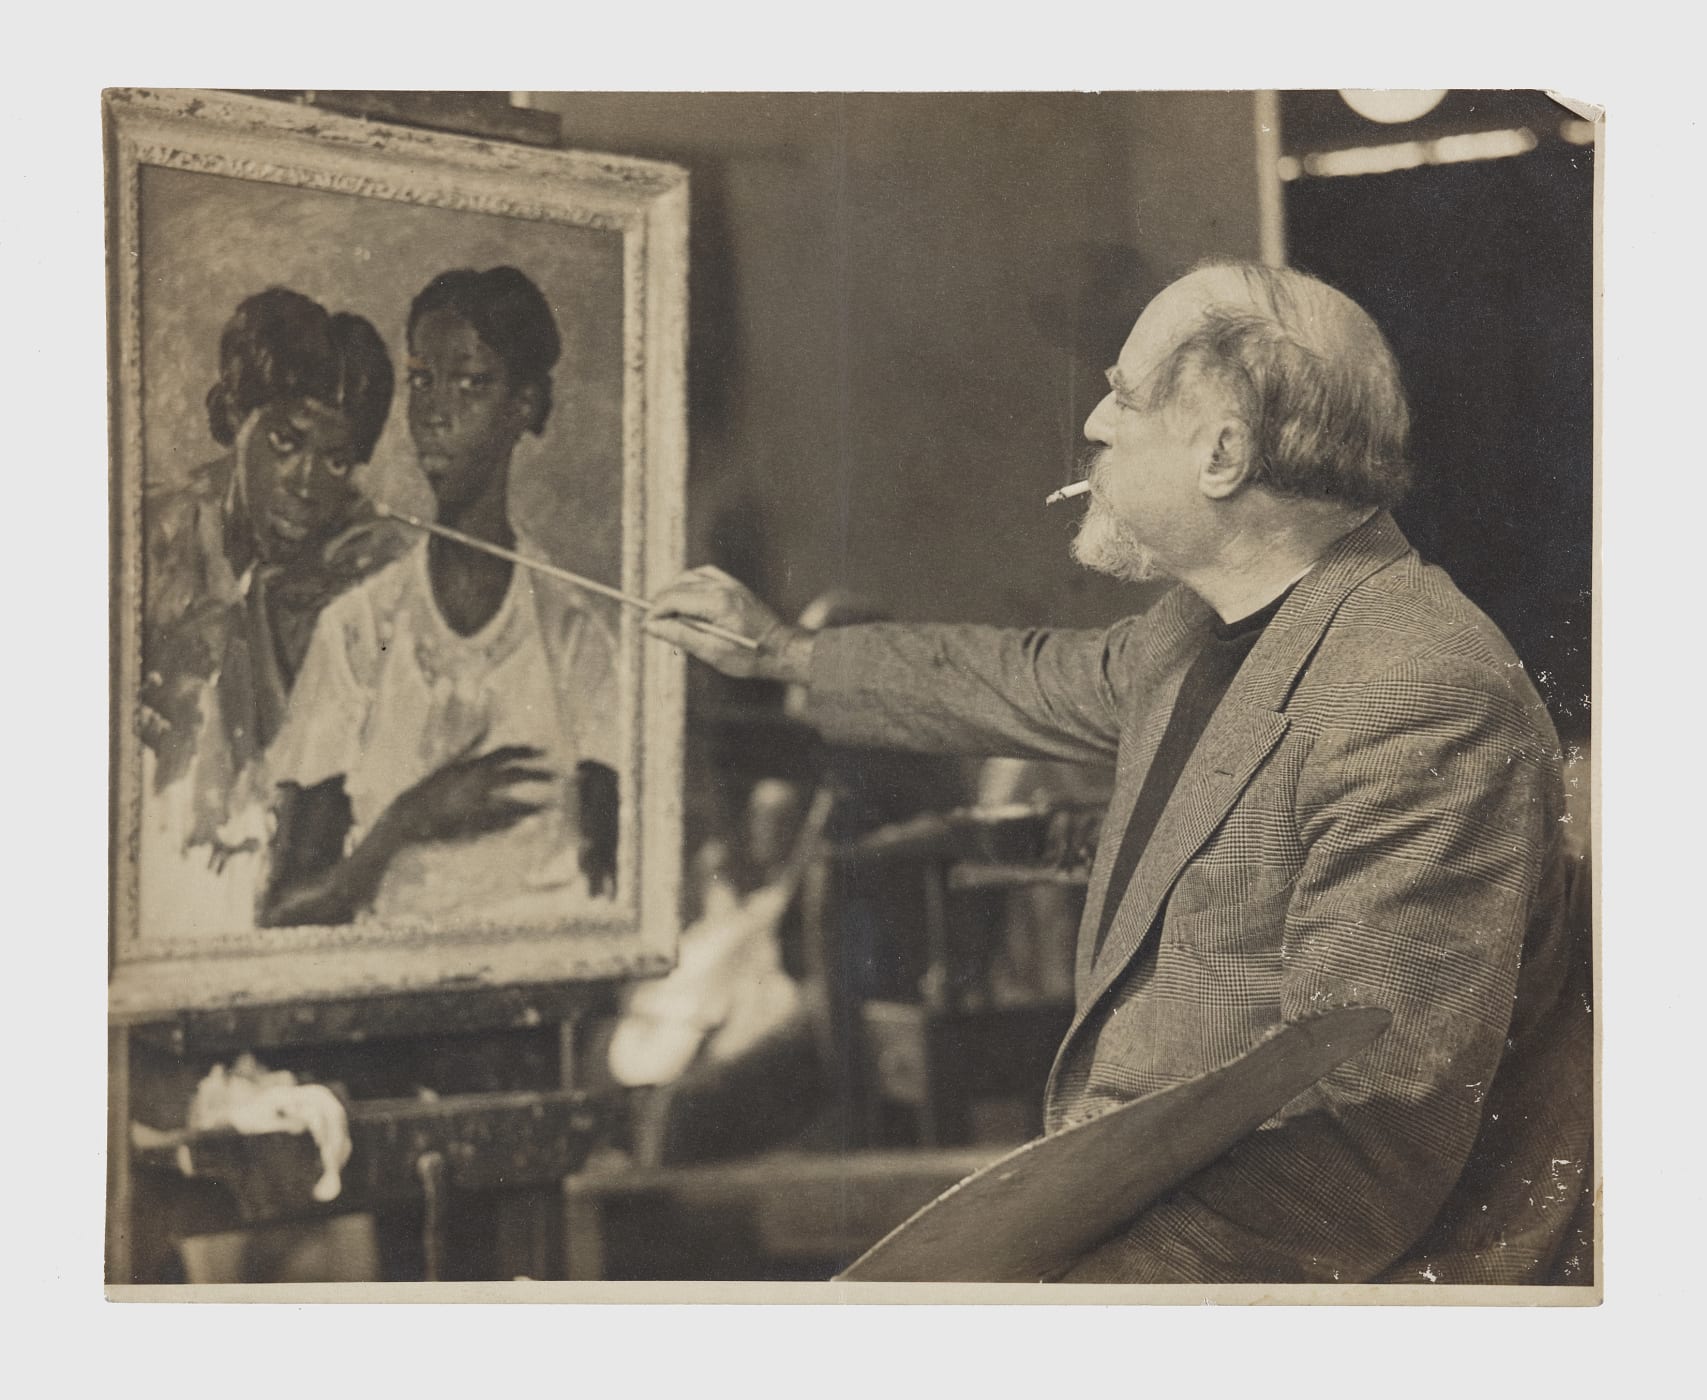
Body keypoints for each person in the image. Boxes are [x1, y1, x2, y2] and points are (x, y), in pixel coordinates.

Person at [646, 259, 1592, 1285]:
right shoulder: (1198, 630)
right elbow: (1029, 675)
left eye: (1123, 397)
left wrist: (1084, 1300)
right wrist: (783, 653)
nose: (1094, 424)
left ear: (1222, 454)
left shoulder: (1416, 688)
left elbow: (1366, 1140)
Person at [260, 266, 621, 927]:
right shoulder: (359, 629)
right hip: (384, 983)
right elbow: (283, 912)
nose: (435, 412)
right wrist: (410, 818)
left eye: (471, 382)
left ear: (523, 406)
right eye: (423, 380)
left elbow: (614, 894)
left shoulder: (573, 636)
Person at [138, 288, 405, 935]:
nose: (308, 484)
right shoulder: (149, 537)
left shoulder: (367, 563)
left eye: (336, 459)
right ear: (237, 416)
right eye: (285, 442)